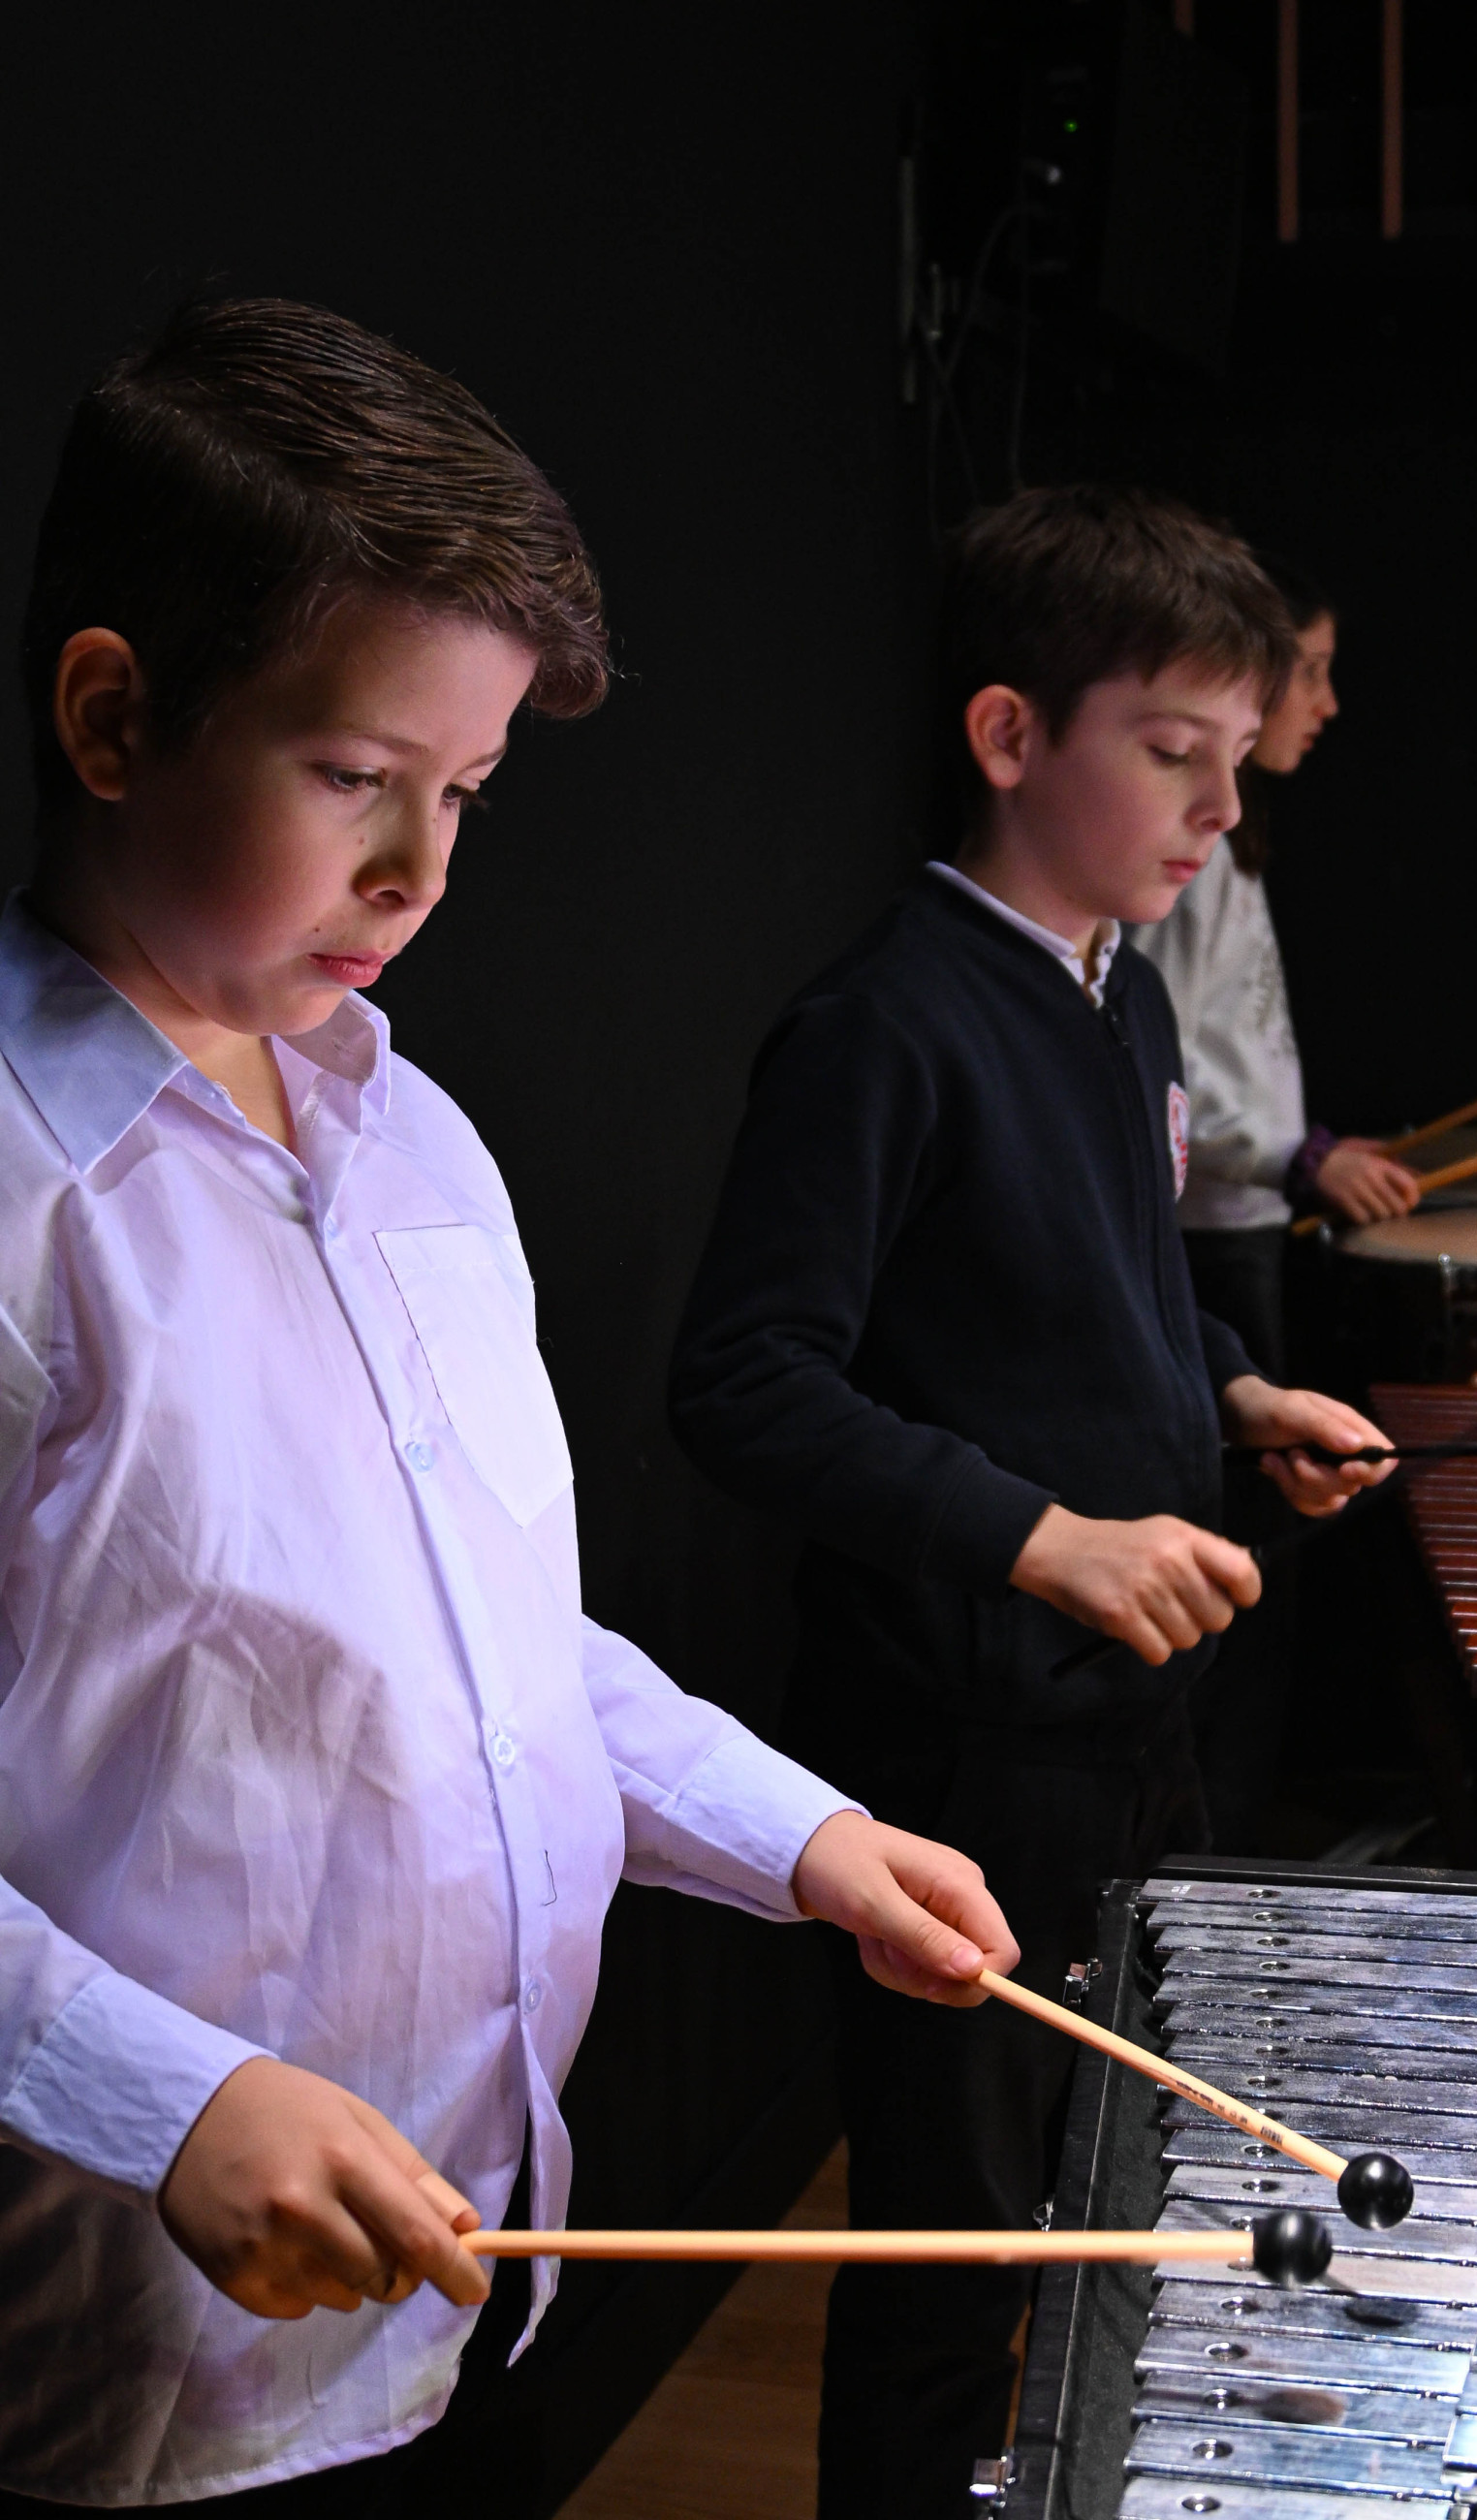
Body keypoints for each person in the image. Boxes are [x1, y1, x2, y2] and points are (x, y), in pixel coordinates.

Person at [0, 298, 1022, 2514]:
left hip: (471, 2283)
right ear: (112, 716)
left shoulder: (422, 1149)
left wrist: (798, 1836)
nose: (423, 870)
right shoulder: (20, 1201)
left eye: (461, 792)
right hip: (139, 2379)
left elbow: (485, 1652)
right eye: (353, 776)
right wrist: (163, 2093)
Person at [668, 485, 1396, 2520]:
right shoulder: (884, 1021)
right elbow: (741, 1383)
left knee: (1096, 2207)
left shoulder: (1117, 990)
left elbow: (1108, 1283)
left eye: (1233, 759)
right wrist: (1041, 1537)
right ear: (1007, 735)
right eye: (1171, 754)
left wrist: (1231, 1394)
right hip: (954, 1745)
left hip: (1119, 1725)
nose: (1218, 811)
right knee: (953, 2253)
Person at [1128, 555, 1420, 1380]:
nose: (1327, 704)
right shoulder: (1192, 861)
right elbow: (1153, 1066)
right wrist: (1298, 1157)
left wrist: (1305, 1148)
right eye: (1311, 672)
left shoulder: (1226, 847)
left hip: (1239, 1213)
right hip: (1203, 1229)